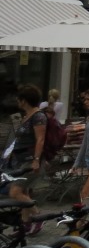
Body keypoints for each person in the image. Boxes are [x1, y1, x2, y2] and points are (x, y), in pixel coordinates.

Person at [3, 85, 47, 234]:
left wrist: (36, 159)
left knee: (15, 192)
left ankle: (38, 215)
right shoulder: (25, 116)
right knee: (24, 192)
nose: (17, 101)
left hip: (29, 160)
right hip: (20, 160)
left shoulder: (38, 116)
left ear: (25, 100)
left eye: (19, 98)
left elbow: (40, 139)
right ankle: (25, 223)